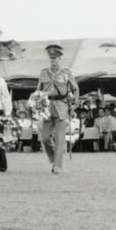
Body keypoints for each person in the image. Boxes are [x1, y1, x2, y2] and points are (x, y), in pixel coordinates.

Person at [37, 43, 79, 173]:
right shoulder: (43, 72)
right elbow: (38, 90)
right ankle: (53, 160)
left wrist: (75, 103)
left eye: (55, 58)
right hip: (47, 108)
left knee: (60, 139)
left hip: (62, 107)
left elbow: (75, 88)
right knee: (44, 138)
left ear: (60, 58)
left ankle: (58, 166)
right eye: (51, 58)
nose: (52, 60)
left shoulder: (66, 72)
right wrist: (37, 103)